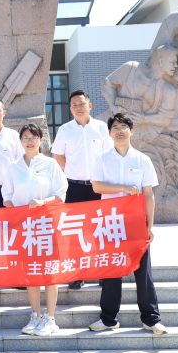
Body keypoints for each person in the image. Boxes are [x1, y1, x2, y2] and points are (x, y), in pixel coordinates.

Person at [88, 113, 167, 335]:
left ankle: (151, 319)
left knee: (143, 272)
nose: (120, 130)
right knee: (112, 270)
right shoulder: (102, 159)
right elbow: (97, 186)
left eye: (124, 126)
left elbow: (149, 194)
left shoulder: (142, 160)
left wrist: (149, 226)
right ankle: (108, 319)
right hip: (111, 222)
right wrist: (122, 189)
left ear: (131, 131)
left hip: (135, 223)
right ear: (109, 133)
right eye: (115, 127)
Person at [2, 124, 67, 337]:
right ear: (20, 141)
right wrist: (17, 214)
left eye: (34, 137)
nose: (30, 141)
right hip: (25, 228)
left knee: (49, 271)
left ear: (41, 140)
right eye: (26, 138)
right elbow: (7, 197)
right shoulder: (13, 167)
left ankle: (51, 317)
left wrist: (42, 202)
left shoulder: (50, 164)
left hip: (46, 224)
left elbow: (61, 194)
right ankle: (35, 315)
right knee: (31, 272)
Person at [52, 90, 112, 290]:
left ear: (90, 105)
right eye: (74, 105)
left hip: (98, 187)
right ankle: (77, 274)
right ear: (70, 109)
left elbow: (109, 155)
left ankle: (102, 273)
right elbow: (58, 155)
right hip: (75, 187)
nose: (78, 107)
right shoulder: (65, 130)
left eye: (81, 103)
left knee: (99, 230)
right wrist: (71, 170)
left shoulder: (101, 128)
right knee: (76, 231)